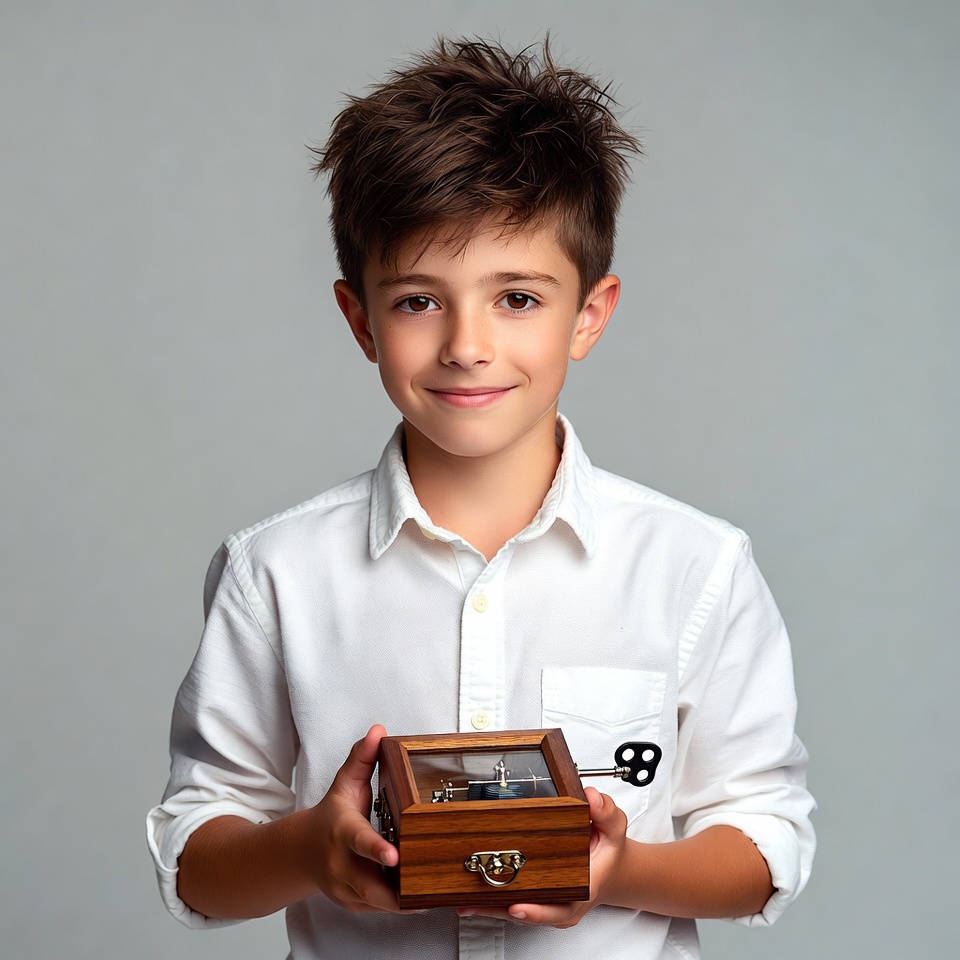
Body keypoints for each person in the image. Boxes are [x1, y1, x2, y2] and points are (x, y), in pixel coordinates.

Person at [147, 37, 815, 960]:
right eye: (419, 301)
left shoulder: (695, 567)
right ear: (360, 320)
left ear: (589, 314)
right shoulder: (276, 573)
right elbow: (195, 860)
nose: (467, 345)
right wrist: (310, 852)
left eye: (518, 298)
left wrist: (618, 871)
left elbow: (765, 840)